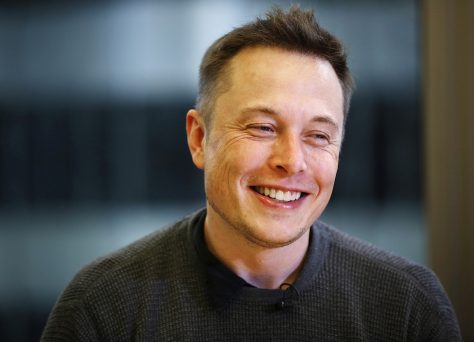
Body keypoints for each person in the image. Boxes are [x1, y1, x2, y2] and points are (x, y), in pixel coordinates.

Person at [41, 6, 461, 341]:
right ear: (198, 139)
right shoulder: (103, 305)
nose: (291, 160)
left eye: (318, 135)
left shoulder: (406, 304)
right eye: (262, 127)